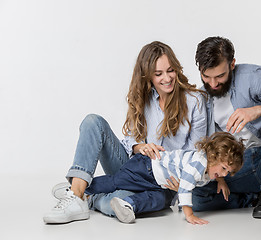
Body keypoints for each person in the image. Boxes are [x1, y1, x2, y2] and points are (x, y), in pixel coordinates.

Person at [43, 41, 207, 224]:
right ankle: (76, 195)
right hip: (134, 167)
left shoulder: (195, 101)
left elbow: (197, 151)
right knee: (93, 122)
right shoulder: (143, 98)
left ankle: (82, 194)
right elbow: (129, 138)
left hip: (162, 182)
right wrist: (139, 147)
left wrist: (183, 182)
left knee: (115, 203)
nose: (167, 78)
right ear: (148, 76)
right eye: (158, 74)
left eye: (171, 70)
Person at [191, 36, 261, 219]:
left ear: (232, 64)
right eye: (206, 77)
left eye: (220, 76)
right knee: (194, 198)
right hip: (236, 165)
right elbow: (207, 145)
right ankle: (257, 197)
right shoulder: (203, 97)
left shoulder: (254, 77)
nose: (213, 84)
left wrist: (259, 110)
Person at [85, 132, 245, 225]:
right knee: (116, 181)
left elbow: (217, 172)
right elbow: (184, 188)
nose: (224, 174)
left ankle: (128, 204)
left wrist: (221, 180)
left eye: (228, 172)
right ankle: (83, 188)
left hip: (159, 184)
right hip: (146, 168)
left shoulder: (211, 167)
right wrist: (189, 215)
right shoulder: (197, 165)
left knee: (157, 200)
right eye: (224, 169)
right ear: (212, 156)